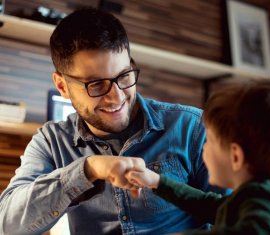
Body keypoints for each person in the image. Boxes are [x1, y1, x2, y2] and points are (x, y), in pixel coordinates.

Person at [0, 8, 217, 235]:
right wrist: (87, 169)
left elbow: (235, 218)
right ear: (62, 86)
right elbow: (6, 226)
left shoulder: (191, 127)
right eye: (96, 84)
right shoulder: (51, 142)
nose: (117, 97)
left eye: (124, 76)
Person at [125, 78, 270, 234]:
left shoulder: (263, 203)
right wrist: (157, 182)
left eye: (210, 142)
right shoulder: (253, 195)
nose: (204, 148)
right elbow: (207, 205)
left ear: (235, 157)